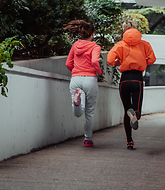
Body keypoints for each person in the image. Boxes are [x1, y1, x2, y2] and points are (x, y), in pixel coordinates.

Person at [107, 20, 156, 150]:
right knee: (137, 110)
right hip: (137, 79)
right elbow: (152, 59)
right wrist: (142, 61)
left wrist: (118, 63)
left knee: (126, 111)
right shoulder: (145, 45)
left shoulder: (120, 45)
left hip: (124, 80)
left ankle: (129, 141)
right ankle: (135, 114)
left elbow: (110, 60)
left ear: (125, 30)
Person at [64, 20, 103, 147]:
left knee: (78, 112)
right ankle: (87, 139)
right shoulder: (95, 47)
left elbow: (68, 63)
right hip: (90, 79)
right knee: (89, 112)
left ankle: (77, 102)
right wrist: (99, 72)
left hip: (76, 79)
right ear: (92, 34)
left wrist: (76, 71)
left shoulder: (75, 45)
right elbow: (95, 62)